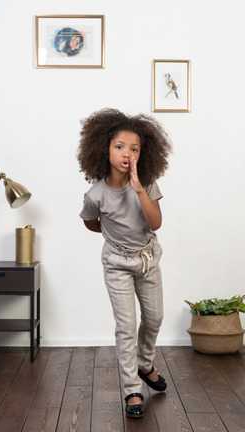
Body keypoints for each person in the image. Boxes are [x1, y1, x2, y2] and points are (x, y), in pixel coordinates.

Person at [78, 108, 172, 419]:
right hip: (117, 262)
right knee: (126, 326)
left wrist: (138, 188)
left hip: (147, 258)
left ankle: (145, 364)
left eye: (134, 148)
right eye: (119, 146)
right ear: (104, 149)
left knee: (155, 317)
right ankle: (132, 388)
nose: (127, 153)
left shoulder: (146, 182)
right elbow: (92, 223)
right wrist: (113, 235)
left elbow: (155, 222)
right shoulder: (96, 194)